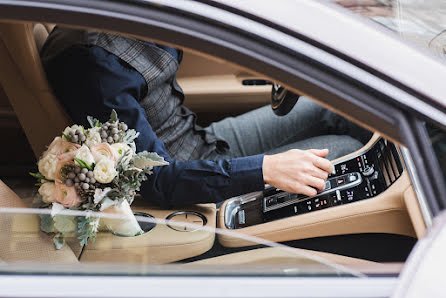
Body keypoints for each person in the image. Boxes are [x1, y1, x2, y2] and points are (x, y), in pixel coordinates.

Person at [40, 27, 371, 208]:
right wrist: (264, 170)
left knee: (331, 108)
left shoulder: (135, 17)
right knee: (346, 147)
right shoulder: (95, 65)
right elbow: (155, 181)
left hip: (200, 139)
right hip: (189, 177)